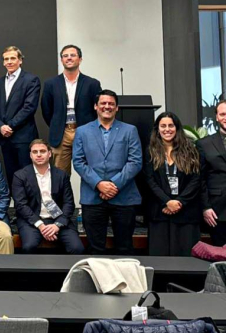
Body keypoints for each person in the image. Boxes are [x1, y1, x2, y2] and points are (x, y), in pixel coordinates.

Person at [72, 89, 143, 255]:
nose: (107, 106)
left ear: (117, 108)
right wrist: (99, 184)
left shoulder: (130, 130)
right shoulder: (82, 131)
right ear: (96, 106)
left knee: (124, 248)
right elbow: (78, 162)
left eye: (111, 104)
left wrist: (113, 185)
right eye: (103, 103)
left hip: (124, 197)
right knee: (95, 249)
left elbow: (135, 161)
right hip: (92, 196)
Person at [11, 140, 85, 254]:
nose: (39, 154)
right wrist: (41, 226)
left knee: (77, 248)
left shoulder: (61, 175)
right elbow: (21, 205)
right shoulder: (20, 175)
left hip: (58, 219)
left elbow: (68, 203)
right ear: (30, 155)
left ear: (49, 154)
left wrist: (57, 225)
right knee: (29, 246)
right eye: (35, 152)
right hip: (32, 220)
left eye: (42, 151)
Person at [146, 112, 203, 256]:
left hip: (186, 213)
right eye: (163, 126)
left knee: (186, 258)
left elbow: (196, 180)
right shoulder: (150, 152)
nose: (167, 129)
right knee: (160, 259)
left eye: (171, 125)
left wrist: (179, 202)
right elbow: (149, 181)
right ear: (157, 129)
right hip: (160, 212)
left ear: (177, 128)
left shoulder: (191, 150)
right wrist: (166, 202)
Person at [41, 45, 102, 173]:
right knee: (60, 175)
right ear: (61, 60)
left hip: (86, 132)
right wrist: (57, 124)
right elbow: (46, 110)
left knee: (91, 171)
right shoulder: (51, 84)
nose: (69, 58)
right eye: (65, 56)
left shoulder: (92, 83)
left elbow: (98, 109)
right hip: (61, 133)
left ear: (80, 59)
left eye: (73, 55)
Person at [0, 46, 41, 186]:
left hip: (23, 136)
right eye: (6, 59)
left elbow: (29, 107)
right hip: (5, 137)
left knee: (27, 175)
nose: (9, 61)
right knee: (11, 174)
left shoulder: (31, 80)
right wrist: (0, 126)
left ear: (20, 60)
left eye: (13, 58)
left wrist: (10, 126)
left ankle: (29, 207)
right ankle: (16, 207)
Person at [198, 100, 226, 246]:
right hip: (217, 211)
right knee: (220, 257)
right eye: (222, 114)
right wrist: (206, 207)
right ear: (216, 117)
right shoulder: (204, 144)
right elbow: (200, 179)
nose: (225, 117)